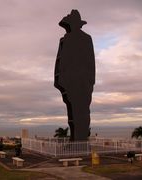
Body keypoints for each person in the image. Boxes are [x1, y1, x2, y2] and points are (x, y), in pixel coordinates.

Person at [54, 9, 95, 141]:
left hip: (81, 82)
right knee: (72, 113)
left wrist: (90, 82)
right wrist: (60, 80)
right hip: (68, 82)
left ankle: (80, 142)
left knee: (81, 112)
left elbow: (90, 62)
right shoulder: (65, 39)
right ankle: (75, 140)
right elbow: (61, 60)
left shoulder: (85, 38)